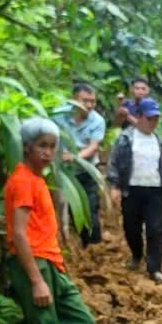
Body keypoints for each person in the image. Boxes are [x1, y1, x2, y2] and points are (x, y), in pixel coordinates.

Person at [4, 118, 96, 324]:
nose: (47, 152)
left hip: (50, 261)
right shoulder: (23, 181)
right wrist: (36, 280)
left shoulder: (36, 180)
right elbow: (19, 234)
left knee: (82, 322)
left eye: (52, 147)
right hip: (34, 263)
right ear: (27, 147)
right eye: (41, 146)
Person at [106, 98, 162, 284]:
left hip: (155, 192)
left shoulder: (160, 142)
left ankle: (155, 268)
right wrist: (115, 186)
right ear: (139, 116)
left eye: (156, 119)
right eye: (150, 118)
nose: (153, 122)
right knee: (131, 228)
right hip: (132, 191)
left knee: (155, 230)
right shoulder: (126, 139)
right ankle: (136, 255)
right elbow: (114, 163)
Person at [52, 82, 106, 246]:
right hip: (63, 173)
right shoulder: (57, 116)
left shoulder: (97, 120)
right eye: (85, 101)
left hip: (87, 171)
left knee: (90, 208)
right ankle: (78, 245)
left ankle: (94, 246)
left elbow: (93, 146)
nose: (89, 105)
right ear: (73, 99)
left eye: (93, 101)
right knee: (69, 209)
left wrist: (74, 157)